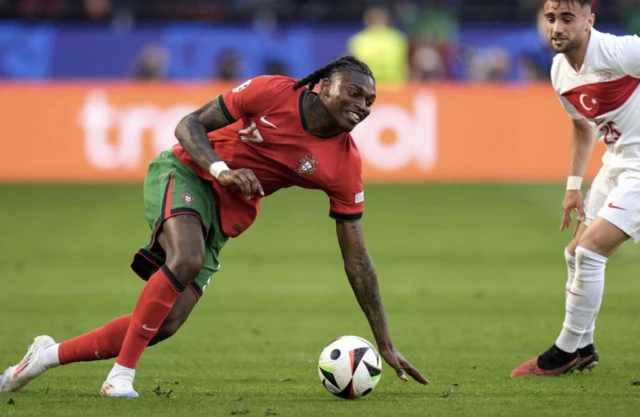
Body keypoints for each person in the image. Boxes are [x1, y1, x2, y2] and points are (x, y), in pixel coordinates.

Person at [0, 56, 429, 396]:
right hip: (186, 172)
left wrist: (384, 341)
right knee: (185, 257)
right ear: (323, 85)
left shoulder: (345, 165)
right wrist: (221, 169)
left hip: (225, 214)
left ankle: (45, 356)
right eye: (353, 93)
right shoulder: (272, 92)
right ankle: (120, 378)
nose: (362, 106)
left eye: (370, 102)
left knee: (164, 325)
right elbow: (189, 125)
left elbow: (358, 261)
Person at [511, 0, 640, 377]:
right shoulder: (558, 70)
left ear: (589, 21)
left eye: (567, 18)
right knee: (574, 254)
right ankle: (584, 347)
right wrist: (573, 186)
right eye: (551, 18)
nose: (556, 27)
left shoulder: (620, 51)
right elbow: (583, 126)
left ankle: (563, 352)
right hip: (616, 163)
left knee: (589, 252)